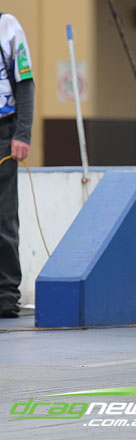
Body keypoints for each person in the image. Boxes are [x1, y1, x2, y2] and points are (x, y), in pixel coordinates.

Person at [0, 12, 34, 318]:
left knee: (4, 217)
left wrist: (22, 134)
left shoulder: (7, 26)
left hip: (4, 132)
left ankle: (6, 294)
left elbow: (24, 81)